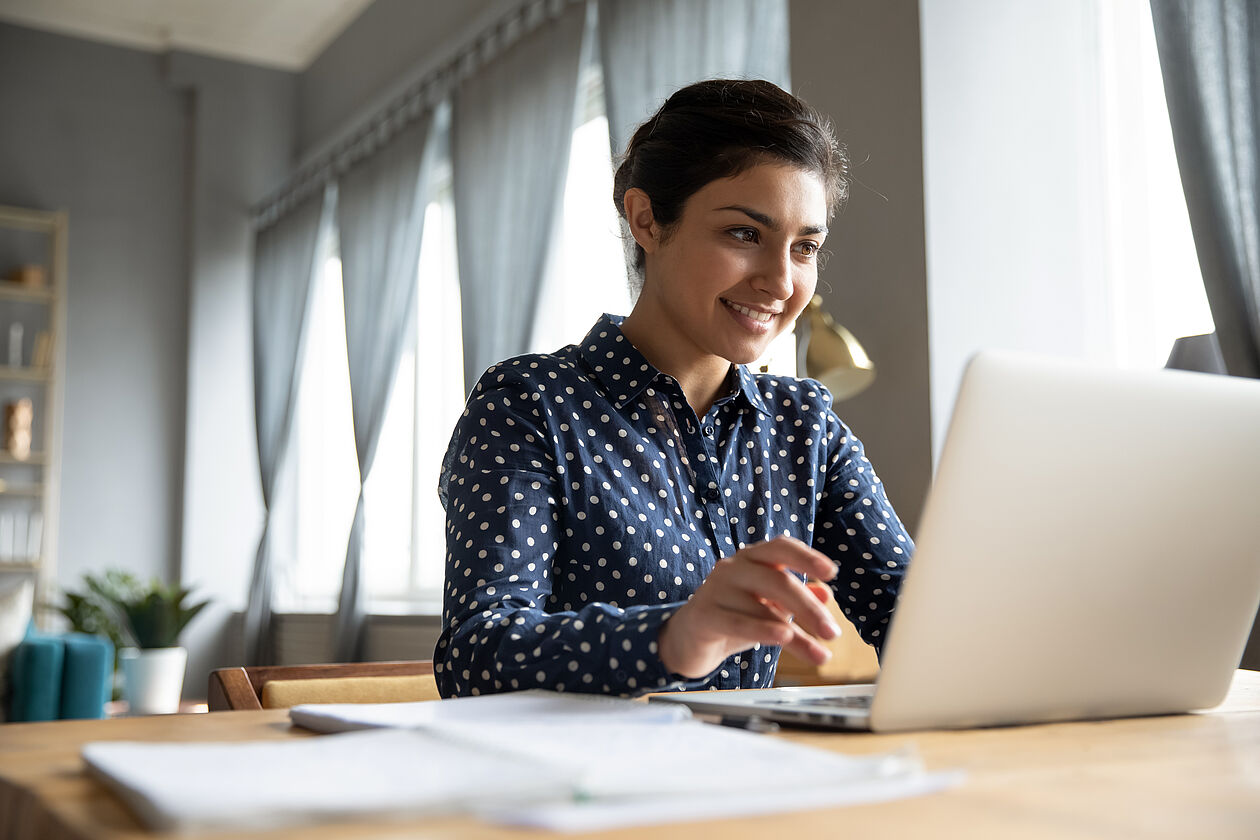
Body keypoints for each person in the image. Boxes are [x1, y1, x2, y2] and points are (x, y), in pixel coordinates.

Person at [434, 79, 912, 697]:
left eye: (805, 247)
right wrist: (675, 636)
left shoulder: (804, 426)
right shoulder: (529, 404)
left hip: (751, 779)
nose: (780, 281)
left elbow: (914, 617)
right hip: (585, 783)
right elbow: (476, 655)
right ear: (647, 220)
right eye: (745, 234)